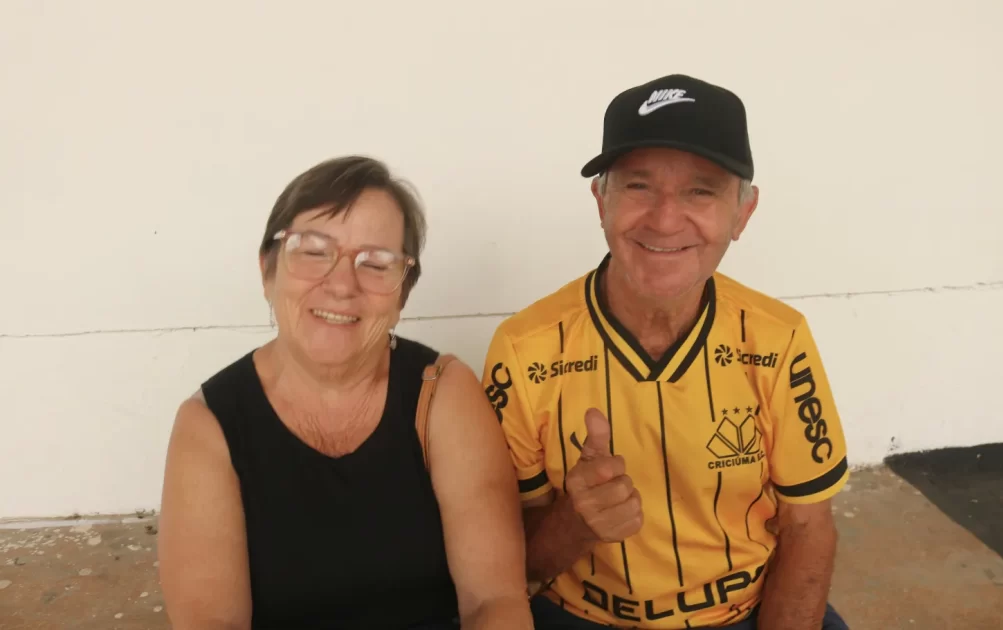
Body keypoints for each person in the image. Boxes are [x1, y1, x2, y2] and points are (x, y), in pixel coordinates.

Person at [482, 74, 850, 629]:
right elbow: (505, 565)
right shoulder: (525, 348)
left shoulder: (778, 339)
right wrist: (573, 523)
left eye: (701, 190)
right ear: (600, 201)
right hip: (579, 617)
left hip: (742, 616)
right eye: (637, 186)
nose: (664, 219)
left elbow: (808, 526)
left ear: (742, 213)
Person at [158, 156, 533, 629]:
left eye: (376, 263)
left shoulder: (441, 394)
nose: (341, 285)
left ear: (402, 295)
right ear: (268, 271)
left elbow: (494, 601)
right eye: (313, 251)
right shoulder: (210, 426)